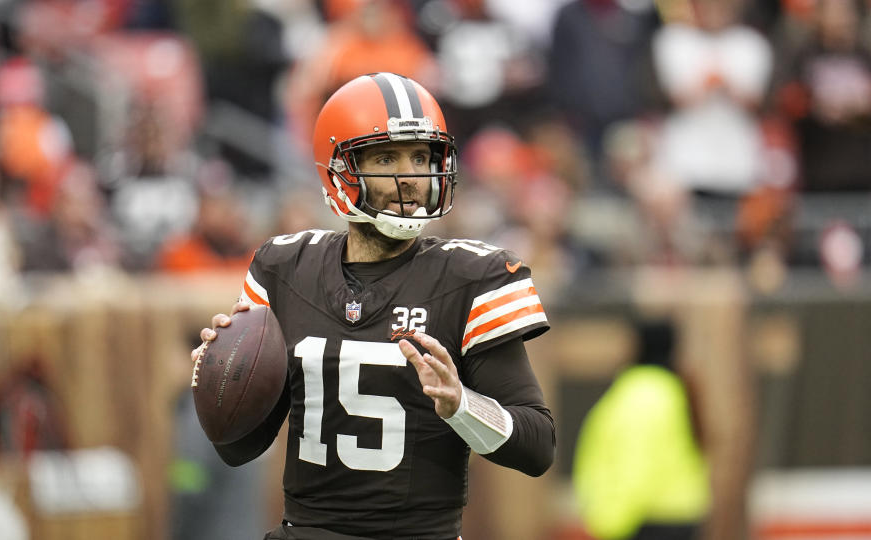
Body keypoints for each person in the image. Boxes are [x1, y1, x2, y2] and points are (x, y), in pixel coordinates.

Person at [191, 72, 556, 540]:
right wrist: (222, 385)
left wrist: (463, 405)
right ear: (337, 170)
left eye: (421, 158)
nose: (411, 178)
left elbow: (538, 448)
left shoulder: (471, 278)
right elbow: (238, 450)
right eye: (387, 158)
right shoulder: (284, 267)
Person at [572, 319, 709, 540]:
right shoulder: (672, 390)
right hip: (679, 517)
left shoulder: (641, 395)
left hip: (644, 521)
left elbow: (634, 463)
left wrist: (610, 522)